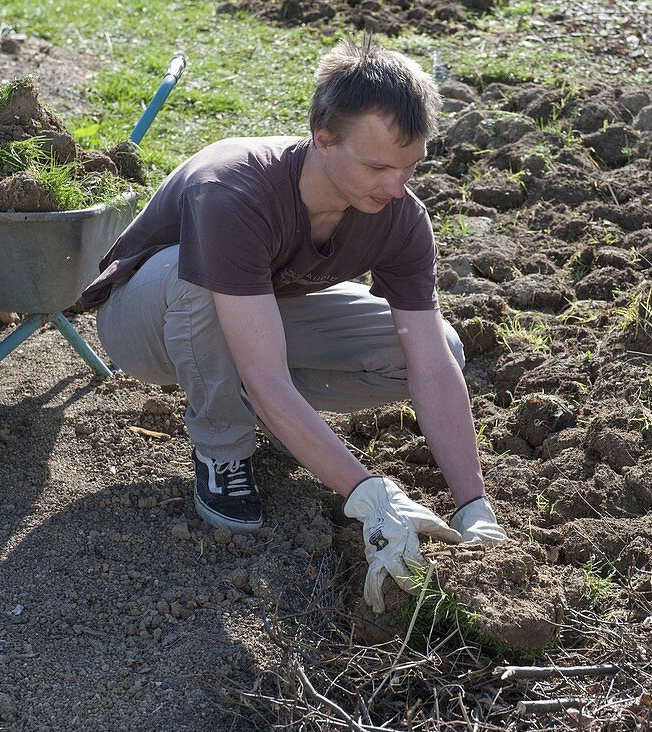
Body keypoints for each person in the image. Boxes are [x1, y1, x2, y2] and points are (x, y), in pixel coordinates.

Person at [78, 36, 507, 613]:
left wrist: (473, 506)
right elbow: (265, 371)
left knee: (443, 348)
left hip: (257, 311)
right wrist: (368, 494)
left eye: (409, 167)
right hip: (147, 322)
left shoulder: (399, 217)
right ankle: (223, 448)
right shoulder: (233, 189)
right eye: (377, 166)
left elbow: (428, 363)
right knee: (197, 280)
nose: (394, 186)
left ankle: (276, 422)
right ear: (323, 138)